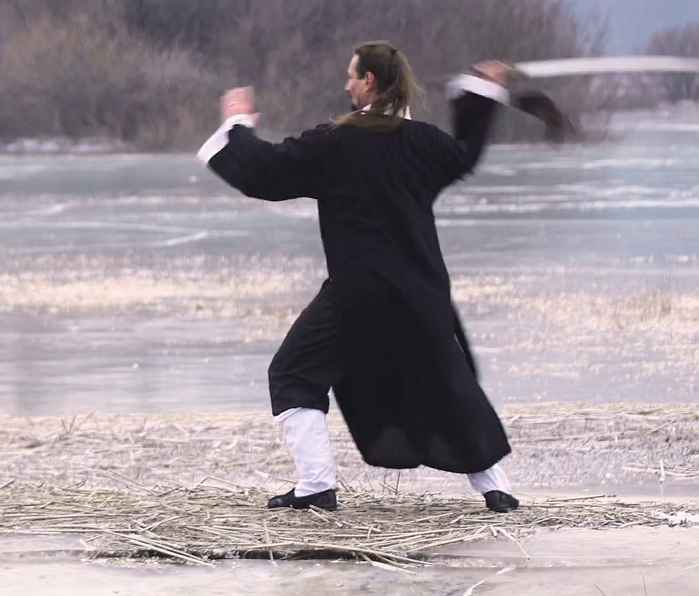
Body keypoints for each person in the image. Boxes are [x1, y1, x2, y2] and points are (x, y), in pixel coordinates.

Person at [198, 41, 520, 513]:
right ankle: (497, 487)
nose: (347, 85)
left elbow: (265, 171)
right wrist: (480, 93)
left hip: (359, 294)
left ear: (369, 80)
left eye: (353, 76)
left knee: (292, 373)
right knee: (445, 383)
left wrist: (237, 125)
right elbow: (465, 152)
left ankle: (316, 486)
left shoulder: (336, 144)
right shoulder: (425, 143)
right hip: (420, 293)